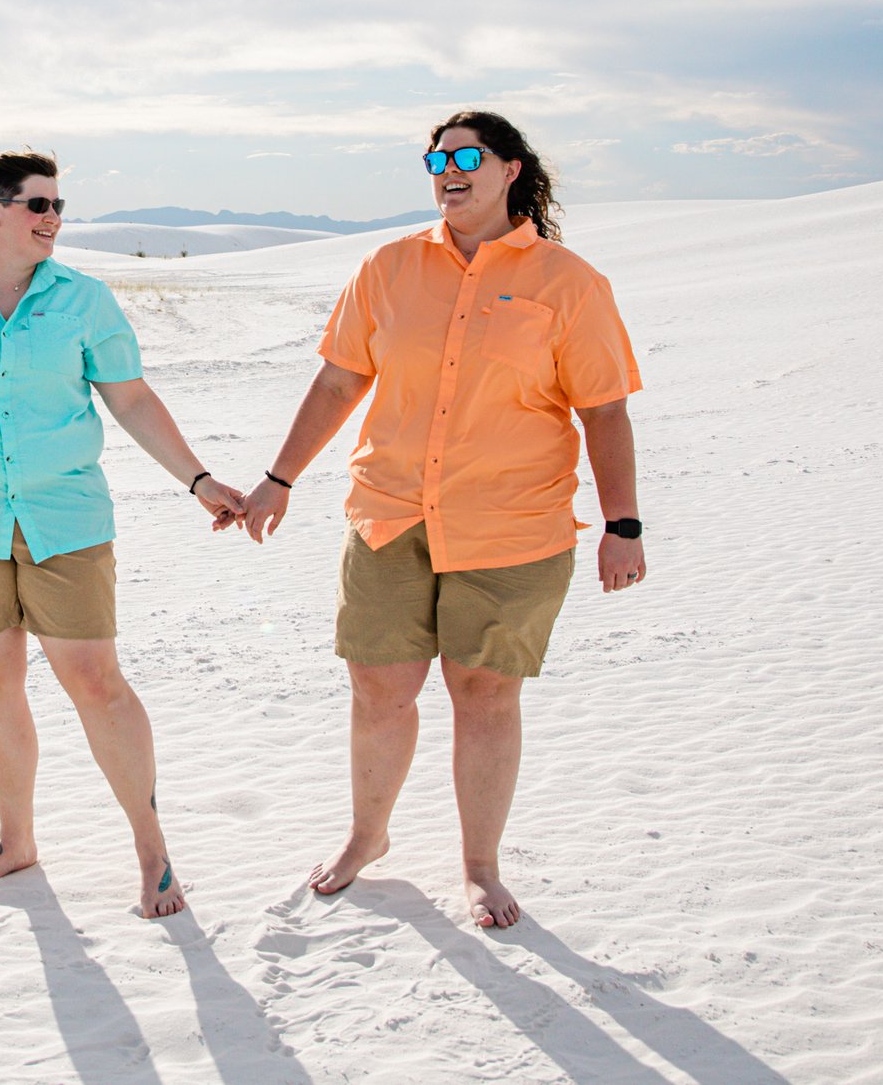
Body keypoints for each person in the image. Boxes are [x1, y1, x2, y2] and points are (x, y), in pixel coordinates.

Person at [240, 110, 645, 928]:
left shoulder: (569, 283)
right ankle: (367, 835)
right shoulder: (388, 267)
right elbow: (337, 382)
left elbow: (604, 411)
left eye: (467, 155)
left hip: (513, 526)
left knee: (484, 693)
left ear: (510, 170)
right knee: (377, 689)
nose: (447, 168)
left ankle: (479, 865)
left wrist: (622, 524)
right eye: (436, 157)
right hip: (390, 515)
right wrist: (279, 477)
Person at [0, 150, 248, 919]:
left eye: (58, 206)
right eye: (38, 205)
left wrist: (200, 480)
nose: (53, 219)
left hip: (65, 518)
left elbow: (132, 400)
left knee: (95, 682)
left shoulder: (84, 300)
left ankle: (152, 850)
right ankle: (17, 842)